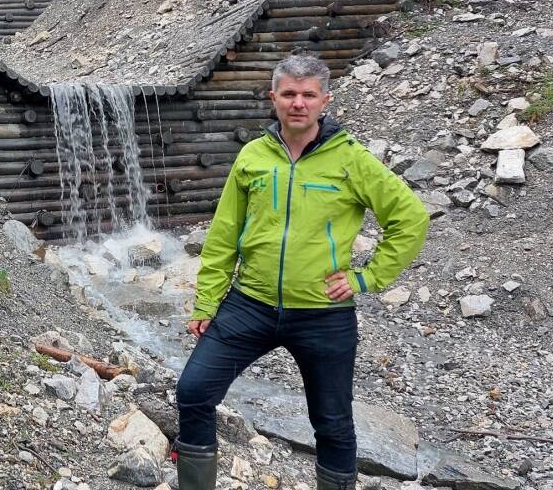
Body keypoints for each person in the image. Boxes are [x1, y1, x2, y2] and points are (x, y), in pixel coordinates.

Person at [174, 54, 430, 490]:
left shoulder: (350, 159)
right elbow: (223, 236)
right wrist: (207, 301)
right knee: (193, 392)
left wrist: (365, 278)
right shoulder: (253, 157)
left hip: (323, 314)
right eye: (289, 93)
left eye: (308, 94)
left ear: (324, 100)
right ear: (273, 97)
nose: (298, 103)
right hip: (248, 305)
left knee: (332, 423)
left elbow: (411, 218)